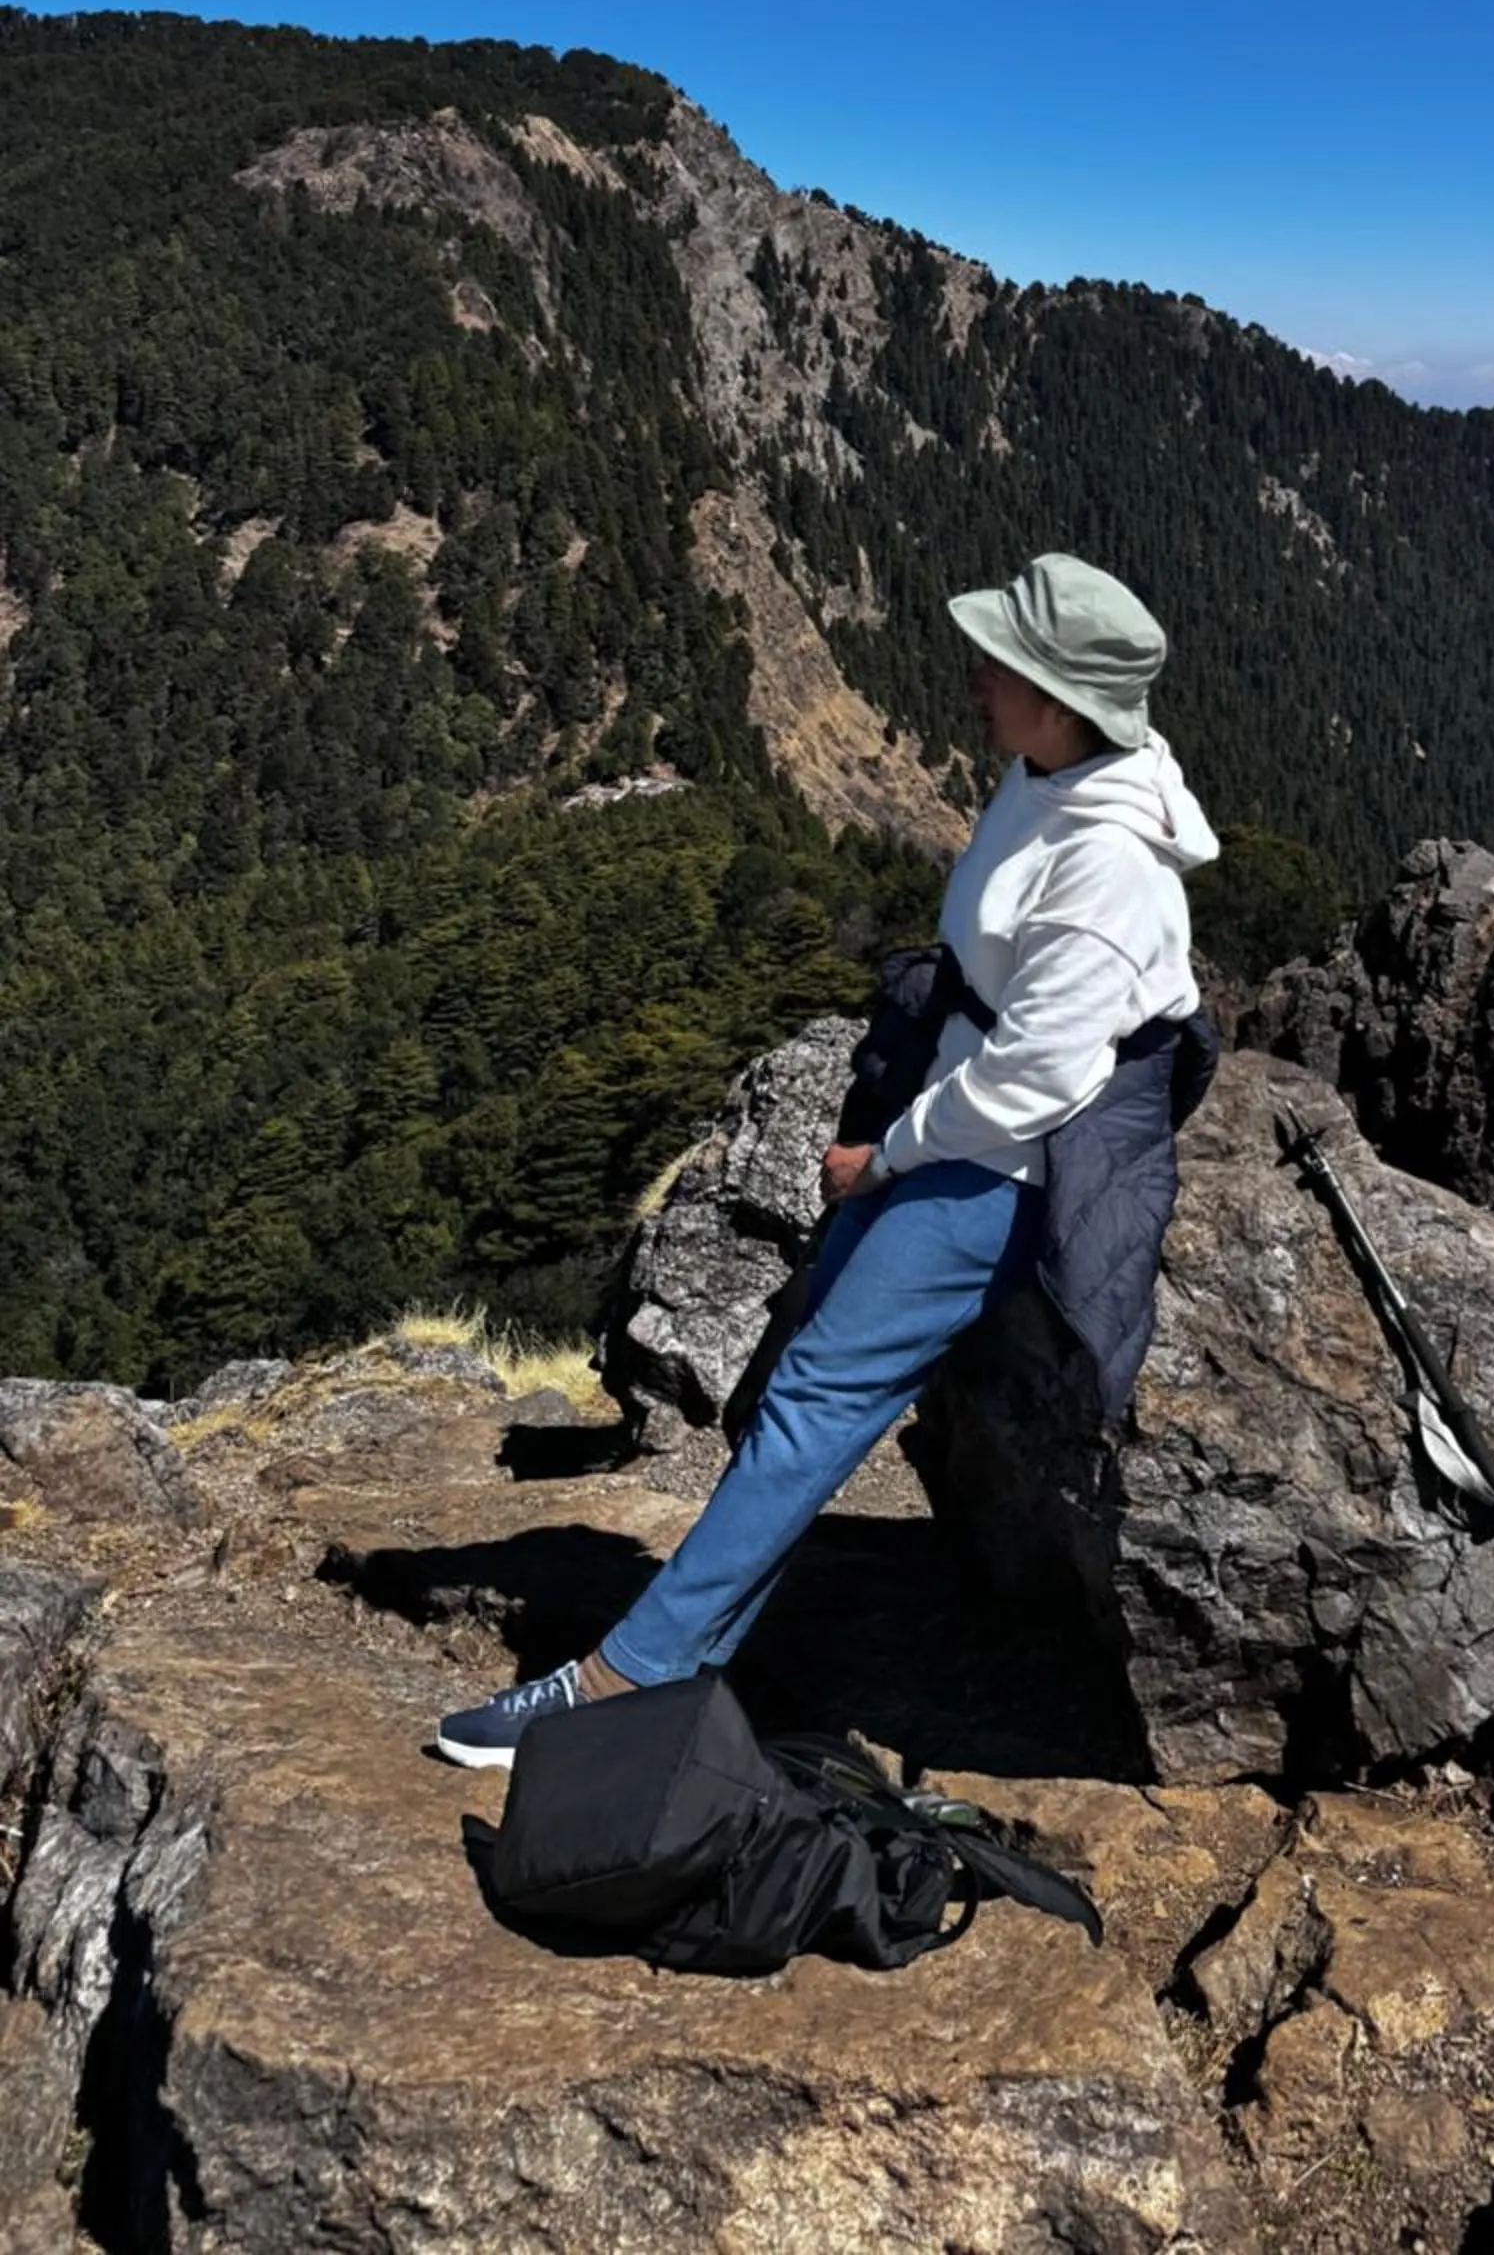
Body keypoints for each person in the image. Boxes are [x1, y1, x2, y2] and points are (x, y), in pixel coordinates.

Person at [437, 552, 1219, 1766]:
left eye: (1000, 660)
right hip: (961, 1103)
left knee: (815, 1400)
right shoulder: (1050, 773)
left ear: (1059, 700)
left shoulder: (1107, 869)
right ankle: (694, 1651)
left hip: (1003, 1159)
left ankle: (622, 1682)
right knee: (806, 1370)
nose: (975, 674)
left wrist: (889, 1156)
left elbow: (1040, 1085)